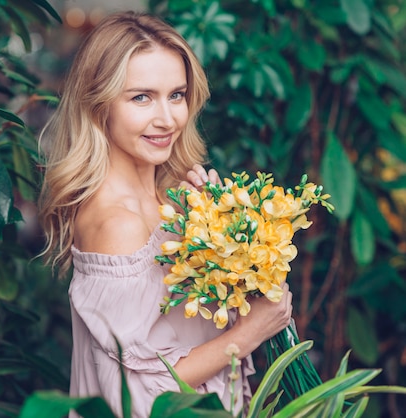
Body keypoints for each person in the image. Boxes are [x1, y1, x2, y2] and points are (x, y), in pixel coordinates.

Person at [37, 11, 293, 418]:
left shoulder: (170, 199)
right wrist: (250, 332)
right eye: (141, 97)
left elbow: (185, 331)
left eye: (176, 95)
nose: (168, 118)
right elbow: (137, 396)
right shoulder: (116, 224)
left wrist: (221, 233)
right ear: (99, 104)